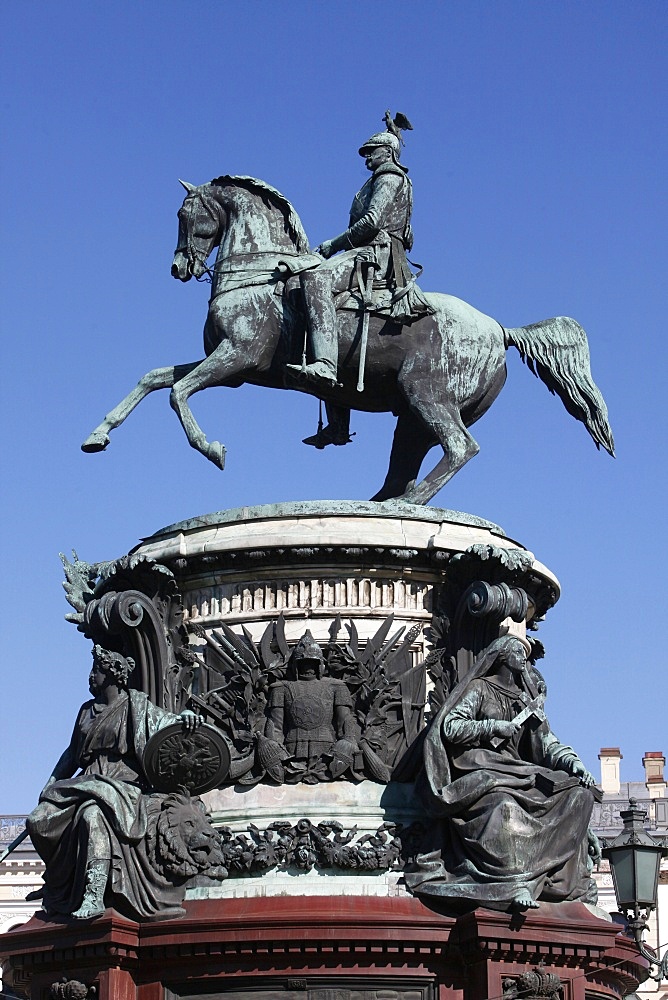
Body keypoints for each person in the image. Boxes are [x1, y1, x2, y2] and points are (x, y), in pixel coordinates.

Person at [405, 635, 599, 912]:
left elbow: (547, 742)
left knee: (579, 796)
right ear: (502, 657)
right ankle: (512, 883)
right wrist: (492, 727)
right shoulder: (479, 688)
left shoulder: (526, 701)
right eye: (518, 652)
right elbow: (451, 727)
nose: (523, 658)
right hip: (481, 768)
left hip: (519, 773)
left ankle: (553, 880)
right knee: (503, 807)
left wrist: (572, 762)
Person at [287, 113, 432, 448]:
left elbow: (370, 222)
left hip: (376, 255)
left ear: (388, 152)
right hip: (369, 251)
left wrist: (330, 245)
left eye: (372, 151)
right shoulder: (381, 177)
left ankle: (324, 364)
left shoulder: (389, 177)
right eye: (367, 153)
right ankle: (338, 424)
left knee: (315, 278)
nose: (367, 157)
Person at [27, 645, 204, 921]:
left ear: (112, 673)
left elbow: (163, 723)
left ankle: (94, 893)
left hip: (122, 785)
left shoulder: (136, 704)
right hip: (87, 782)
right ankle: (58, 886)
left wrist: (185, 718)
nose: (91, 675)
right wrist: (51, 783)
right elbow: (72, 754)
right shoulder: (86, 711)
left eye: (96, 670)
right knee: (38, 819)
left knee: (92, 814)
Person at [262, 630, 359, 781]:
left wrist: (347, 743)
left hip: (327, 750)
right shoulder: (281, 688)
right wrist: (273, 749)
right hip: (291, 750)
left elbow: (345, 721)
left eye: (312, 663)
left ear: (320, 665)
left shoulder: (336, 686)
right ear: (295, 665)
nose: (308, 668)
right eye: (303, 663)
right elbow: (276, 726)